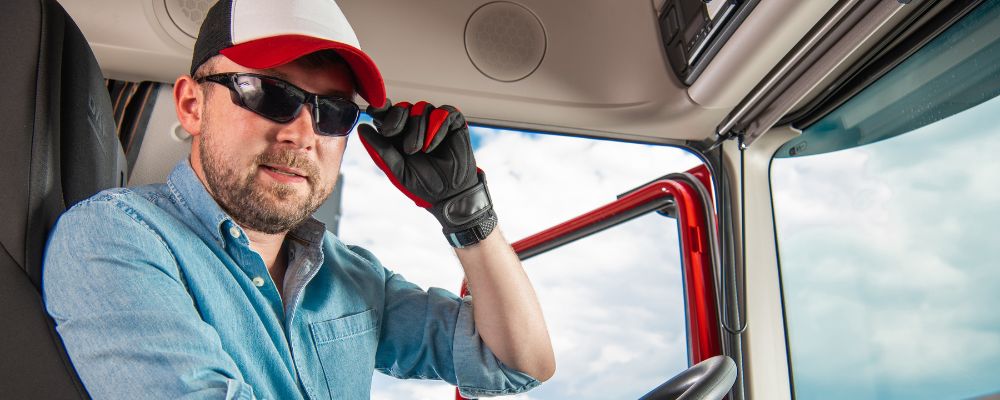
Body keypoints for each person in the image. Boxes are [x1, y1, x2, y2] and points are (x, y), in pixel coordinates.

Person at [42, 0, 555, 398]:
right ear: (192, 104)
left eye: (332, 111)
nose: (303, 133)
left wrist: (465, 212)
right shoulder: (113, 237)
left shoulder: (351, 276)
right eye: (270, 93)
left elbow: (517, 362)